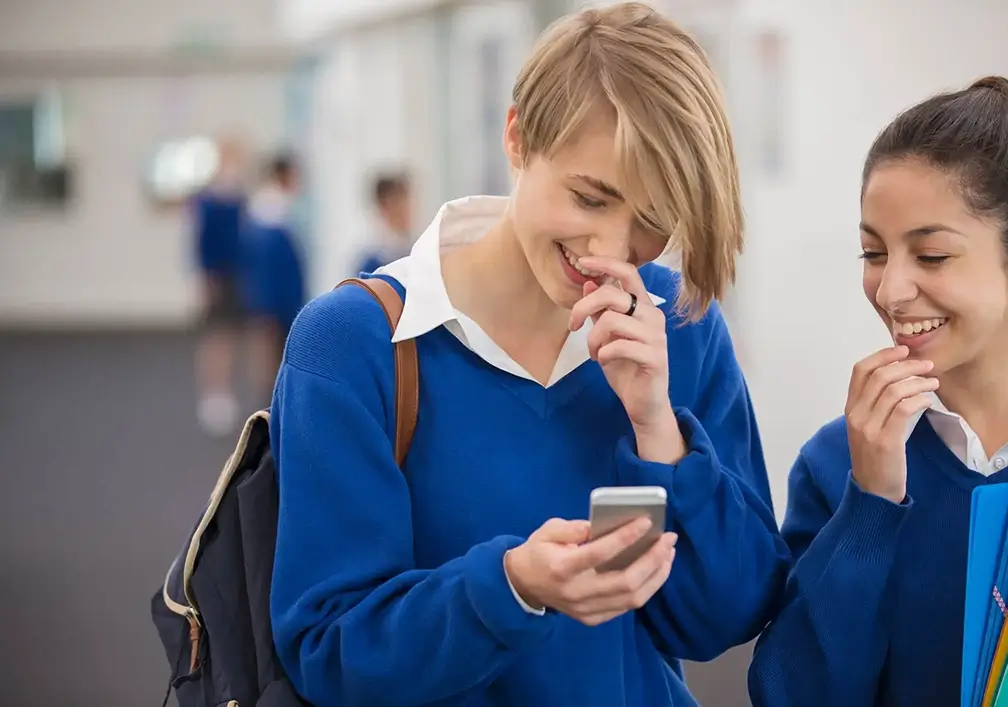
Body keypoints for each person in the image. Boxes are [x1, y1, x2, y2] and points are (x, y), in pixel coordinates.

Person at [270, 4, 789, 706]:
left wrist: (657, 430)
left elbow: (722, 618)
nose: (611, 248)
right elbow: (330, 650)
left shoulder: (679, 323)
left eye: (651, 221)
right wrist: (510, 587)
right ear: (516, 137)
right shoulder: (352, 345)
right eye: (589, 197)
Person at [748, 76, 1008, 707]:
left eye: (933, 256)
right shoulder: (839, 461)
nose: (890, 291)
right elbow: (792, 696)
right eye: (873, 252)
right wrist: (871, 503)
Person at [190, 136, 248, 436]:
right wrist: (206, 279)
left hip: (240, 273)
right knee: (215, 335)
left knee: (233, 335)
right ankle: (212, 394)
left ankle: (226, 391)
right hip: (218, 275)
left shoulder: (240, 198)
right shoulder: (209, 201)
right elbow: (201, 243)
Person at [241, 153, 306, 407]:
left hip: (266, 292)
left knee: (267, 345)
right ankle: (269, 399)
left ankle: (270, 397)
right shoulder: (272, 215)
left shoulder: (267, 211)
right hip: (272, 294)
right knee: (269, 346)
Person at [354, 171, 415, 274]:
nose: (407, 209)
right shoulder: (371, 261)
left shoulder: (417, 248)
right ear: (383, 206)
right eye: (398, 202)